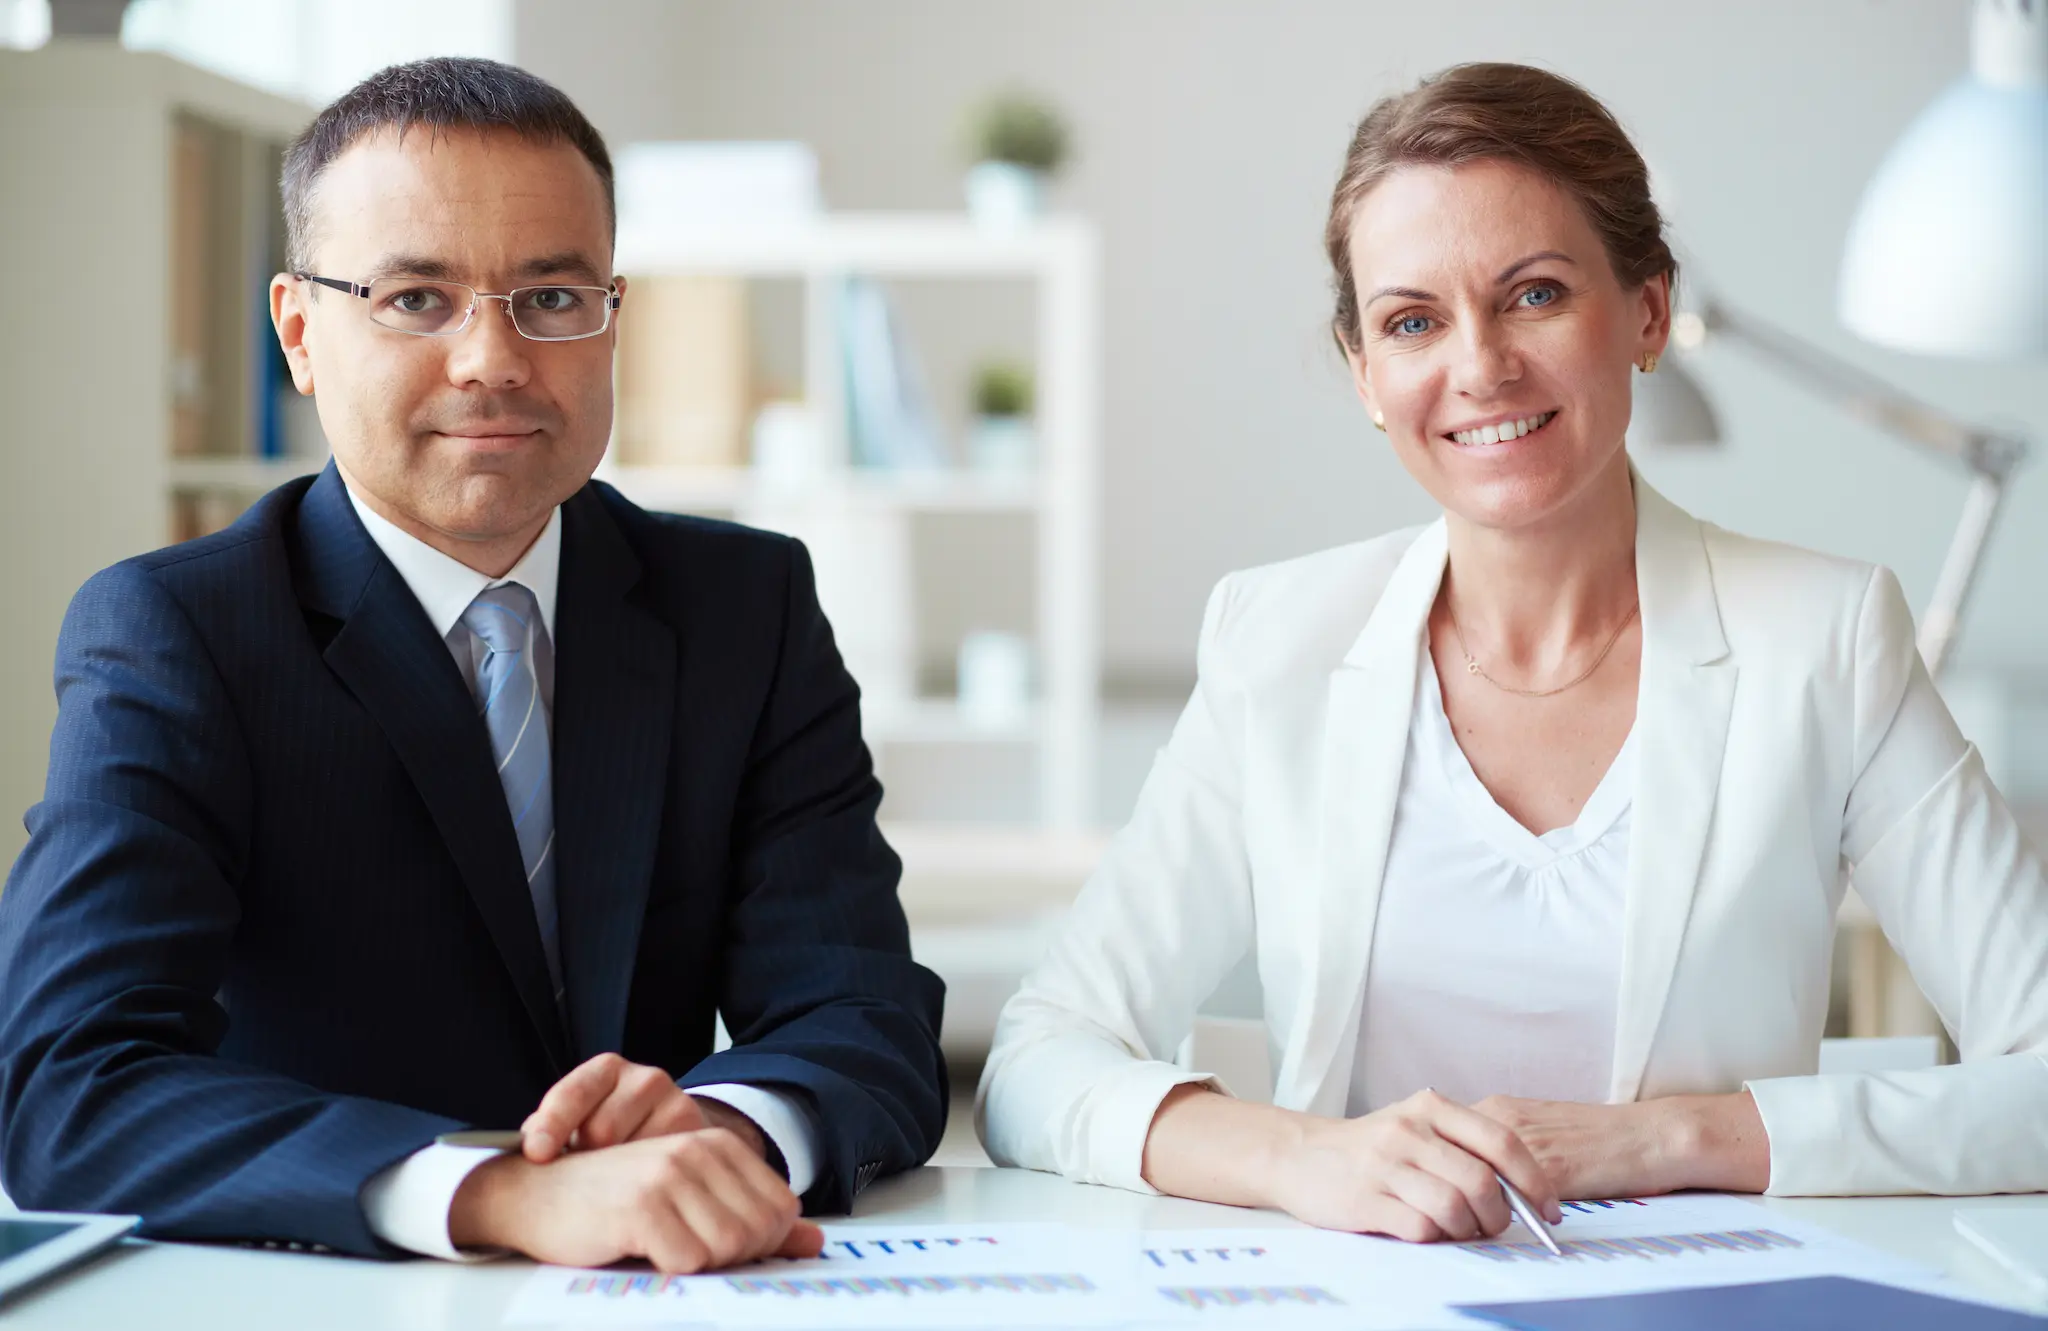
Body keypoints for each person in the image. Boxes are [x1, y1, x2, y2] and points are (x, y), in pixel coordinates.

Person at [977, 62, 2048, 1243]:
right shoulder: (1274, 642)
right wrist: (1301, 1157)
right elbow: (1033, 1063)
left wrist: (1674, 1136)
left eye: (1533, 294)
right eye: (1412, 321)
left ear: (1646, 312)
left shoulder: (1826, 639)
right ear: (1365, 376)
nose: (1478, 366)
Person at [0, 57, 946, 1271]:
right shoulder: (180, 631)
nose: (492, 359)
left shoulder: (742, 608)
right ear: (299, 330)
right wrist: (500, 1192)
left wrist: (707, 1137)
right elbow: (70, 1087)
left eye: (552, 297)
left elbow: (862, 1012)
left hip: (663, 1290)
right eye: (414, 299)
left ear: (613, 319)